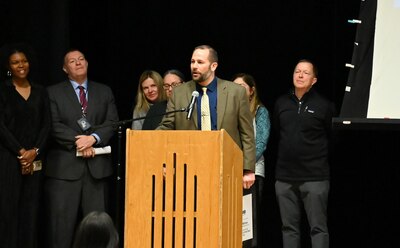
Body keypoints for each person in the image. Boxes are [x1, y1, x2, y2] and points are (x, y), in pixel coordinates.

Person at [45, 48, 119, 248]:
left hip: (97, 170)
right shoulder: (53, 92)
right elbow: (53, 124)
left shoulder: (104, 91)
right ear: (64, 68)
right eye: (72, 61)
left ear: (87, 63)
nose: (78, 62)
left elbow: (112, 121)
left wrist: (93, 139)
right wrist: (79, 141)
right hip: (64, 171)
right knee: (60, 230)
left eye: (81, 59)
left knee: (98, 229)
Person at [157, 44, 256, 189]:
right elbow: (167, 128)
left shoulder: (236, 92)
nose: (194, 66)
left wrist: (248, 169)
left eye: (200, 62)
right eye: (192, 62)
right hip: (188, 169)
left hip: (226, 165)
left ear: (213, 66)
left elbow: (247, 134)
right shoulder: (179, 93)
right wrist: (161, 160)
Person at [273, 59, 335, 248]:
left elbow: (333, 138)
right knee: (289, 228)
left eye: (305, 73)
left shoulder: (324, 105)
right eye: (297, 71)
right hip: (284, 178)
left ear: (314, 80)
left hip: (315, 177)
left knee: (318, 229)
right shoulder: (281, 102)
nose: (300, 75)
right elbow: (277, 133)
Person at [0, 43, 51, 248]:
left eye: (24, 61)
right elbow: (1, 127)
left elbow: (47, 124)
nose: (21, 65)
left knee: (31, 211)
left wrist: (34, 152)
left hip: (35, 160)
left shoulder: (40, 91)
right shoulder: (3, 90)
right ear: (8, 66)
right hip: (8, 159)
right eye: (15, 62)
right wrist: (21, 153)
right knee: (8, 211)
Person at [232, 73, 270, 248]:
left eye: (242, 87)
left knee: (248, 223)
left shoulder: (260, 111)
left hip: (251, 174)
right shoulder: (228, 110)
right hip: (229, 173)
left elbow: (260, 143)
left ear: (252, 91)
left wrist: (243, 166)